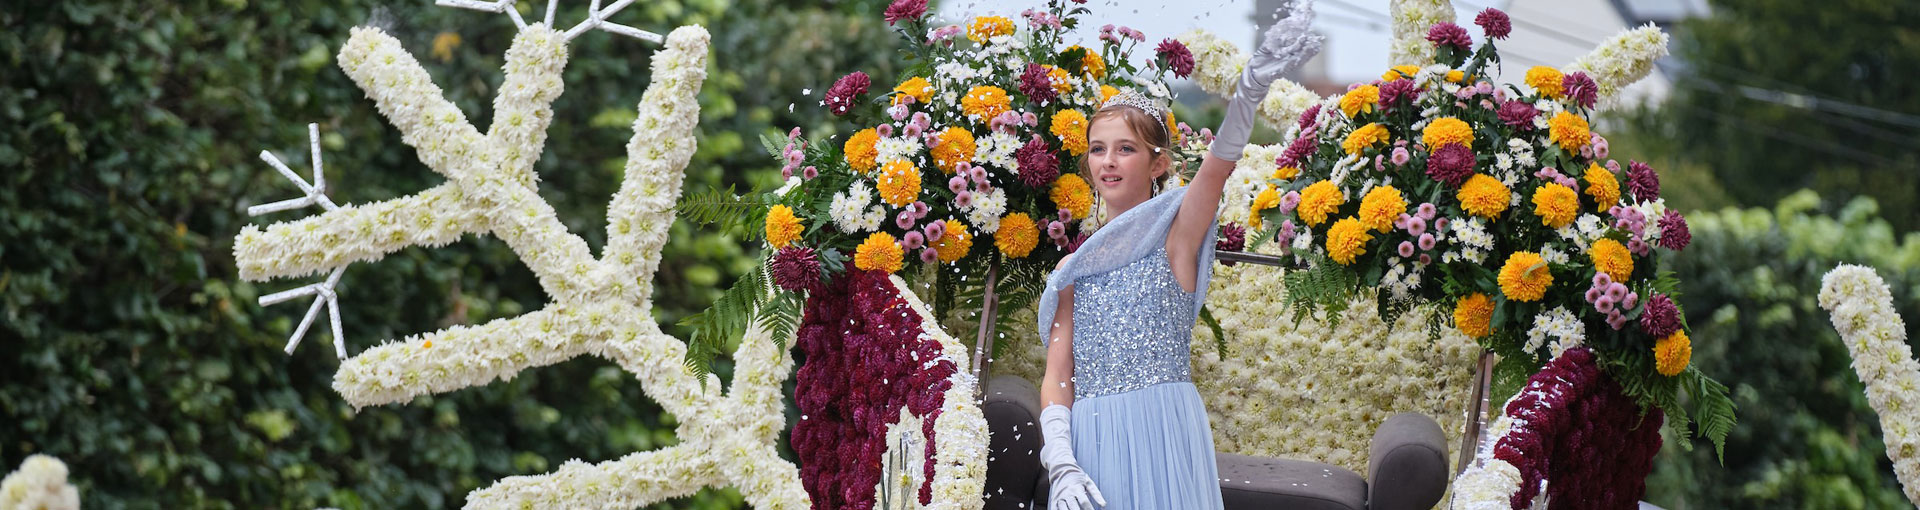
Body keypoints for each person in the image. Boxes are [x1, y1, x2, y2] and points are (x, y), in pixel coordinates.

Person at [1034, 3, 1324, 509]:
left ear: (1158, 163)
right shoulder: (1073, 268)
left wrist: (1249, 91)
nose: (1108, 161)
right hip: (1092, 440)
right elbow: (1058, 373)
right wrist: (1060, 460)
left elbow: (1216, 170)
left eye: (1125, 149)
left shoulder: (1177, 241)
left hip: (1164, 431)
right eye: (1098, 149)